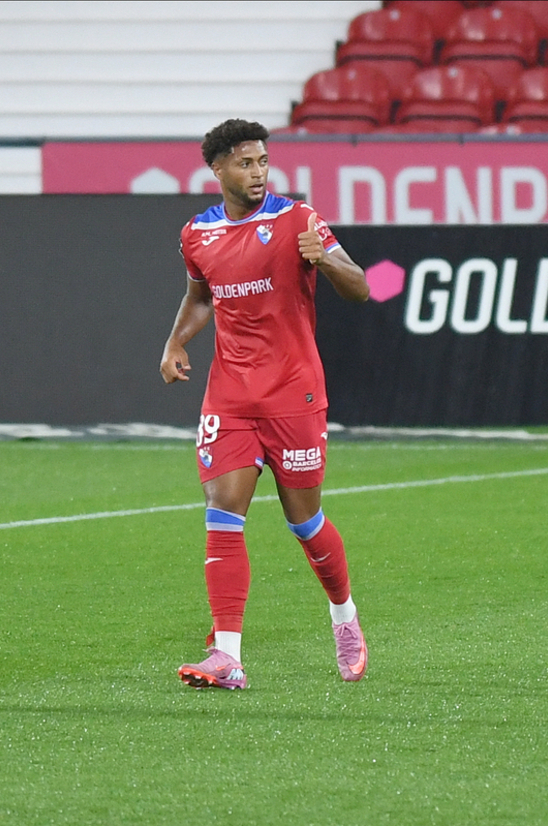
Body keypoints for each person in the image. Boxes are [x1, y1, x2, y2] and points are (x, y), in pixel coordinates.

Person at [159, 119, 371, 690]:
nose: (257, 172)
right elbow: (200, 295)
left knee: (304, 522)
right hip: (229, 395)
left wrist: (323, 260)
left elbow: (361, 286)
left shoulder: (298, 220)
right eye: (245, 163)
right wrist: (177, 341)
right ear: (219, 169)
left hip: (293, 394)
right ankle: (228, 655)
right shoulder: (196, 235)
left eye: (262, 162)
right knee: (223, 512)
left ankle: (344, 616)